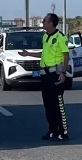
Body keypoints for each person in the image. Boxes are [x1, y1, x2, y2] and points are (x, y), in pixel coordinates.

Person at [19, 13, 70, 141]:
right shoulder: (45, 37)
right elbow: (44, 54)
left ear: (51, 23)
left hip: (55, 75)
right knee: (48, 105)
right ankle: (52, 130)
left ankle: (63, 131)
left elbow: (65, 56)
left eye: (45, 21)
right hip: (45, 75)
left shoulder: (60, 37)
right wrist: (28, 54)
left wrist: (63, 72)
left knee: (58, 104)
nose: (42, 23)